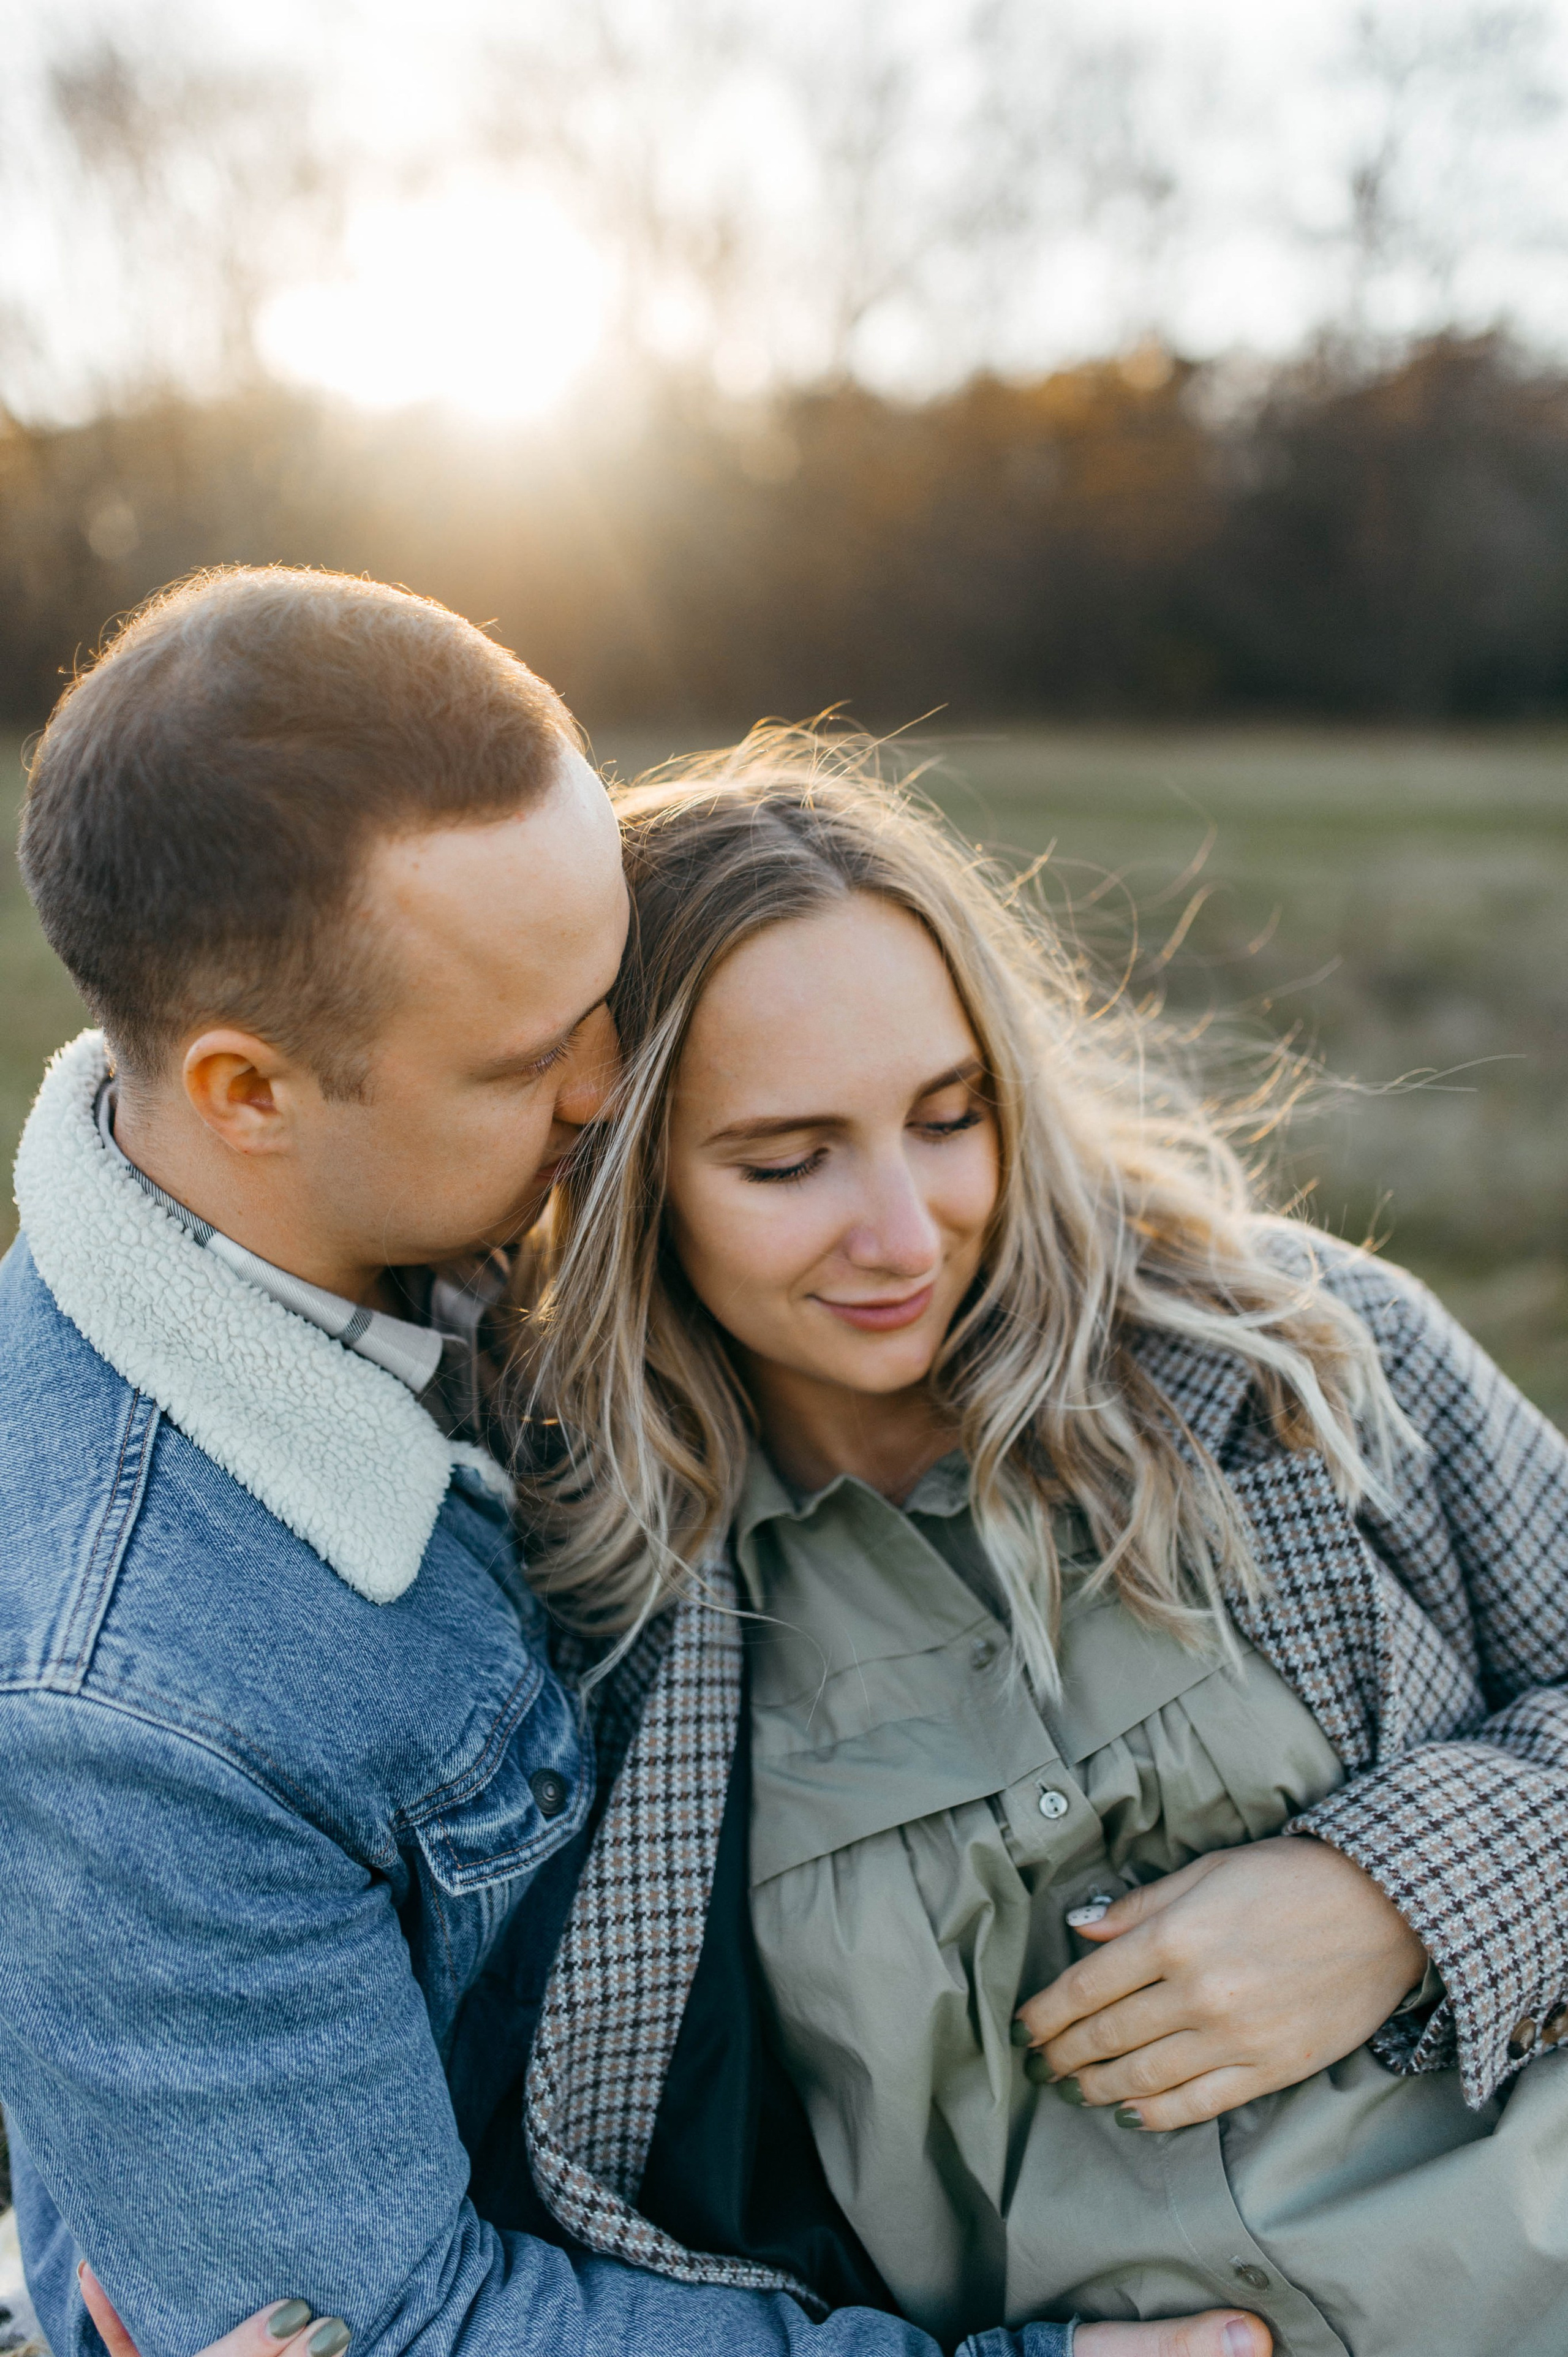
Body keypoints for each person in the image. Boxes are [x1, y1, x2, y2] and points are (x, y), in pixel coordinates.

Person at [0, 570, 1256, 2357]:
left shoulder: (457, 1236)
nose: (617, 1082)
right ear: (249, 1093)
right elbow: (403, 2329)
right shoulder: (117, 1702)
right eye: (531, 1055)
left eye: (611, 986)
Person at [515, 741, 1568, 2357]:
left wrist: (1396, 1895)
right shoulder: (568, 1604)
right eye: (786, 1160)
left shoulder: (1291, 1355)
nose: (902, 1230)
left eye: (951, 1118)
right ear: (622, 1173)